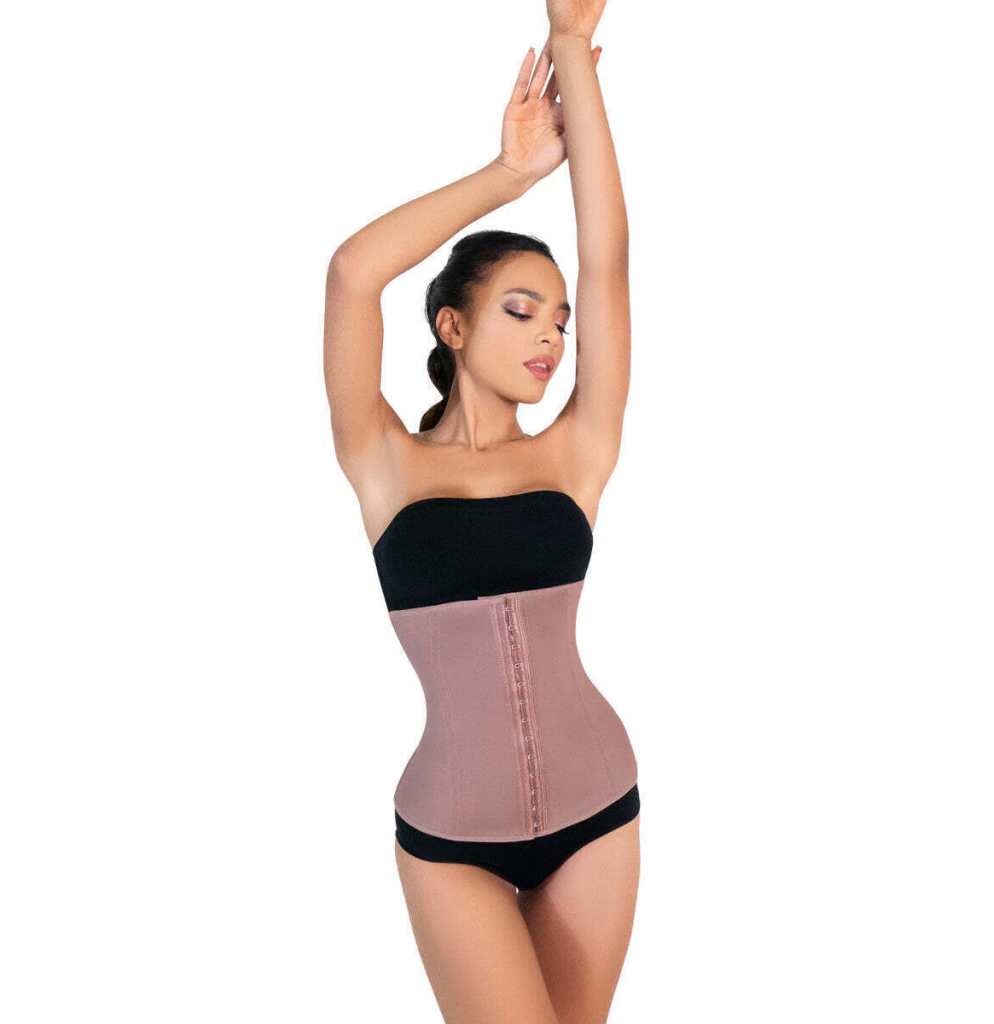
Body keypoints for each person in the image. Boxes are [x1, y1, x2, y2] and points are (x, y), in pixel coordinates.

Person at [324, 3, 638, 1020]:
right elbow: (353, 273)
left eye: (559, 321)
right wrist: (508, 175)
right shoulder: (384, 464)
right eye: (520, 310)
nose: (551, 337)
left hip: (599, 810)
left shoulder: (575, 451)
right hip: (451, 838)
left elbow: (608, 260)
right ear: (452, 326)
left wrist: (573, 52)